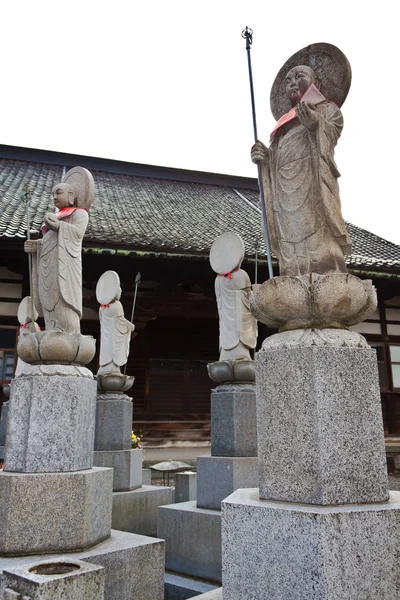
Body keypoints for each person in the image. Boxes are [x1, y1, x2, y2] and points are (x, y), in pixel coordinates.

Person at [251, 65, 351, 277]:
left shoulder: (327, 110)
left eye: (299, 76)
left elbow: (332, 132)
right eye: (287, 80)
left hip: (313, 182)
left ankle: (327, 267)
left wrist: (316, 124)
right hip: (284, 193)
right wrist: (265, 159)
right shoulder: (281, 128)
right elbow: (275, 159)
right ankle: (292, 271)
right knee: (288, 232)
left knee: (316, 225)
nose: (292, 83)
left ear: (316, 83)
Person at [24, 181, 89, 333]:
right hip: (49, 267)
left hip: (65, 269)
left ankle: (67, 330)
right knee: (48, 300)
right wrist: (37, 246)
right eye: (53, 194)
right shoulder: (55, 217)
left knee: (62, 301)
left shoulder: (79, 213)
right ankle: (51, 327)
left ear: (71, 195)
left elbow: (77, 234)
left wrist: (59, 226)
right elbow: (49, 241)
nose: (54, 197)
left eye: (58, 193)